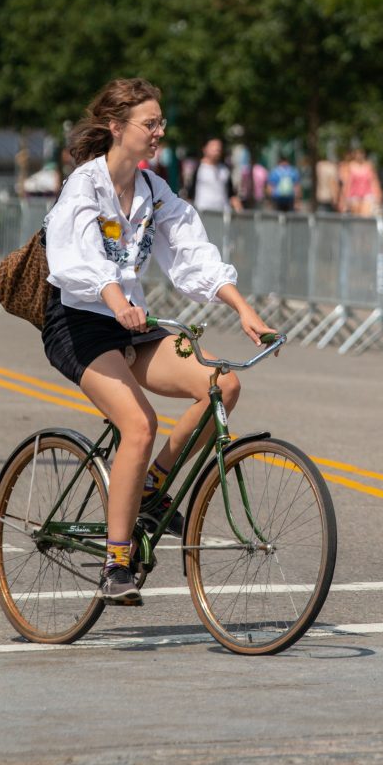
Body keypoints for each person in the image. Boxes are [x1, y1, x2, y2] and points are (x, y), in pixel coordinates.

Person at [42, 78, 274, 606]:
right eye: (151, 123)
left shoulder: (152, 191)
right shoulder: (86, 186)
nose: (159, 132)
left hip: (131, 321)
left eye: (161, 122)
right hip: (78, 320)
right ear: (116, 128)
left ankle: (150, 487)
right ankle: (116, 560)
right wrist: (114, 294)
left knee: (223, 385)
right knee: (139, 424)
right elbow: (75, 257)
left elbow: (192, 253)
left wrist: (243, 309)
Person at [187, 138, 242, 213]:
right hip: (203, 215)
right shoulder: (198, 168)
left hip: (223, 214)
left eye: (219, 147)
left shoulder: (225, 170)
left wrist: (239, 210)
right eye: (213, 146)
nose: (217, 149)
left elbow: (231, 194)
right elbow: (190, 194)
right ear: (204, 149)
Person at [341, 149, 382, 216]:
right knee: (356, 214)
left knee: (365, 214)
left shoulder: (369, 166)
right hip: (354, 194)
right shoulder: (350, 166)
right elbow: (347, 183)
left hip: (367, 194)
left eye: (361, 154)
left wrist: (378, 196)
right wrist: (345, 198)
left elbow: (373, 182)